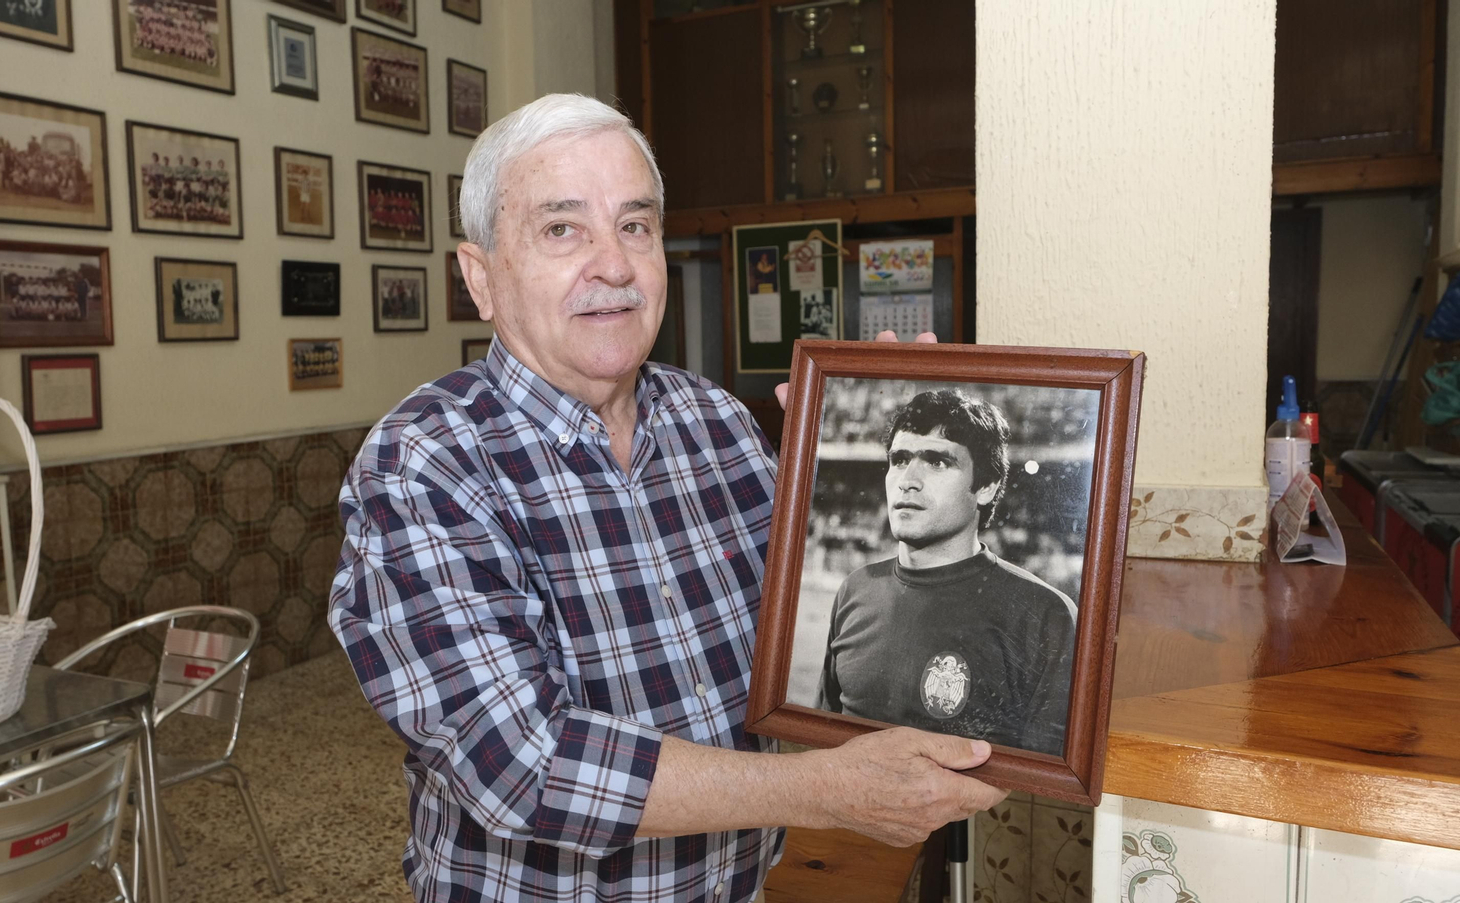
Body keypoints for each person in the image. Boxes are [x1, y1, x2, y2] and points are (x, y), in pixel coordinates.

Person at [327, 94, 1006, 903]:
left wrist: (842, 482)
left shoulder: (712, 420)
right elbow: (526, 765)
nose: (613, 265)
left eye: (635, 225)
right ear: (481, 277)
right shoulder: (424, 463)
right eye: (561, 228)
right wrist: (825, 789)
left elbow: (812, 639)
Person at [816, 389, 1078, 757]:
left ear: (986, 487)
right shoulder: (855, 590)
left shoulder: (1044, 614)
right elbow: (825, 736)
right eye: (899, 459)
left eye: (937, 462)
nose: (908, 479)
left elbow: (1044, 786)